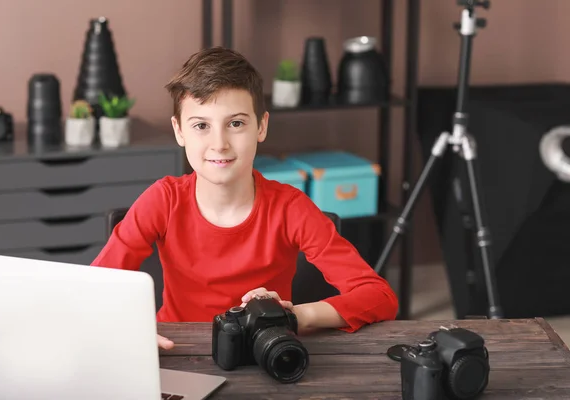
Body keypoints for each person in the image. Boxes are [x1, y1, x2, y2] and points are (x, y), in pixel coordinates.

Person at [91, 46, 399, 350]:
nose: (219, 144)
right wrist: (129, 329)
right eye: (201, 126)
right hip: (178, 349)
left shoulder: (290, 207)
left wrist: (294, 316)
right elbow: (92, 289)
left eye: (236, 123)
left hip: (263, 351)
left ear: (261, 126)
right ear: (179, 131)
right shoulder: (163, 200)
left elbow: (378, 296)